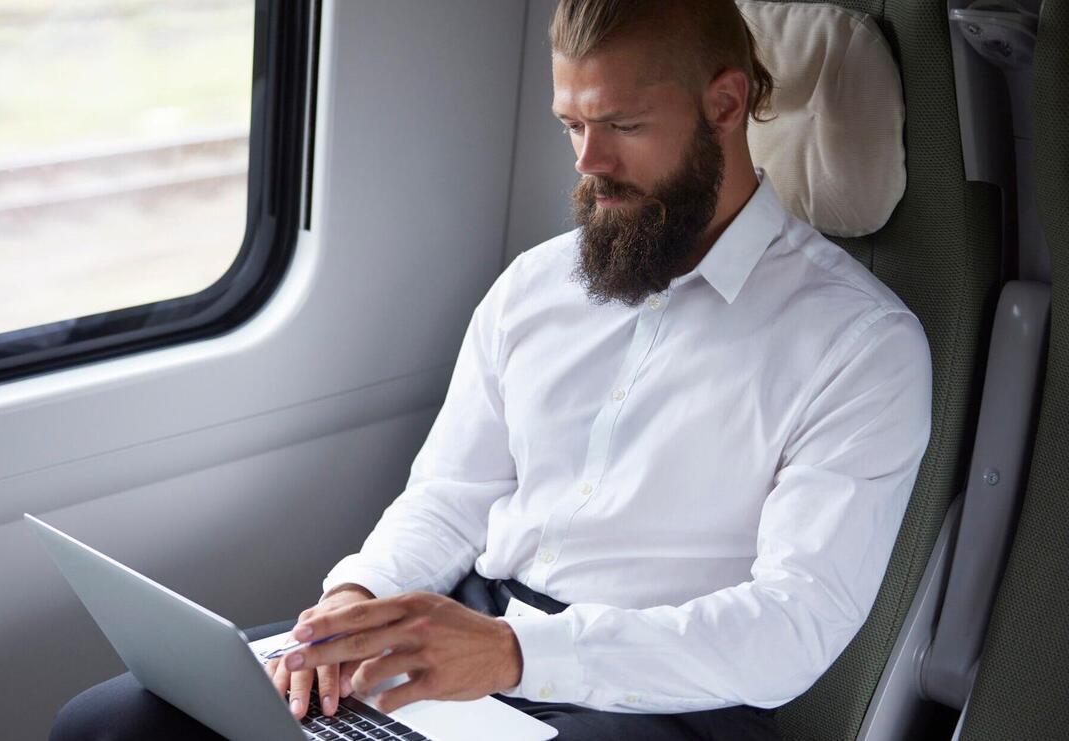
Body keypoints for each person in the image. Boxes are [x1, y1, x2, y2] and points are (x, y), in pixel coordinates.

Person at [51, 1, 931, 739]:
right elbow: (450, 495)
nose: (588, 163)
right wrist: (360, 598)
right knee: (116, 722)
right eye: (572, 125)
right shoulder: (536, 286)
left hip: (658, 699)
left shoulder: (859, 344)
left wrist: (512, 654)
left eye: (622, 125)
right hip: (467, 628)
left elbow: (792, 626)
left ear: (726, 103)